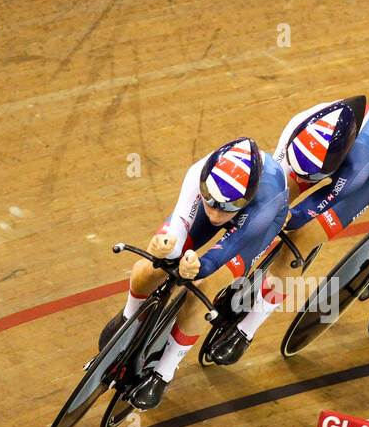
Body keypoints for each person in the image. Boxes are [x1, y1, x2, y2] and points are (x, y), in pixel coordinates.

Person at [205, 95, 369, 365]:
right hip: (314, 156)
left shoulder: (357, 168)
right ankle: (242, 272)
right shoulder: (297, 132)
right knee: (267, 207)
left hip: (368, 172)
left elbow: (320, 203)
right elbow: (274, 195)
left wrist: (293, 216)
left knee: (301, 238)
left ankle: (246, 330)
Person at [99, 137, 289, 409]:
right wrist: (164, 249)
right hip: (225, 206)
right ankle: (129, 317)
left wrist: (199, 266)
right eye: (210, 203)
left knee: (204, 285)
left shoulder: (266, 202)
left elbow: (224, 252)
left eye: (224, 208)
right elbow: (179, 224)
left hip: (255, 227)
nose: (214, 214)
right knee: (156, 263)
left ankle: (163, 372)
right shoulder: (199, 174)